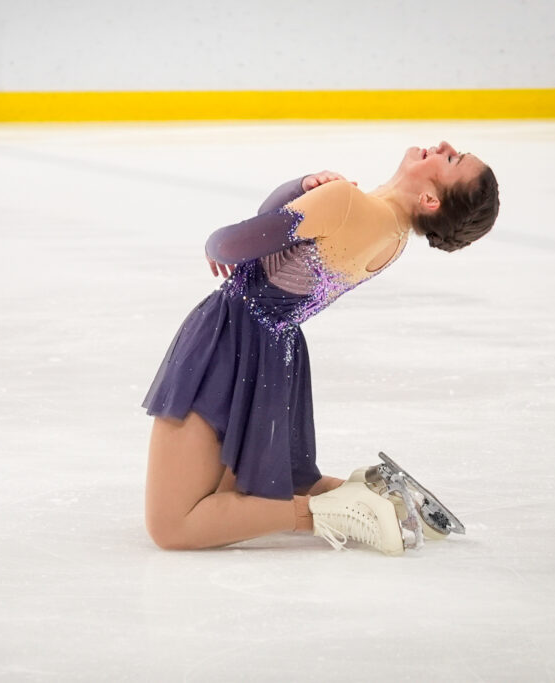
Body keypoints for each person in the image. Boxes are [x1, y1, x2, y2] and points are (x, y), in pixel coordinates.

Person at [142, 141, 500, 554]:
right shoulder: (393, 235)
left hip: (232, 340)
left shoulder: (346, 203)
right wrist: (303, 189)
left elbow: (231, 246)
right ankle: (375, 493)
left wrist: (220, 239)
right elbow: (273, 237)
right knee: (242, 488)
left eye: (452, 160)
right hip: (277, 351)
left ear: (430, 200)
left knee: (173, 525)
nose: (445, 147)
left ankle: (332, 512)